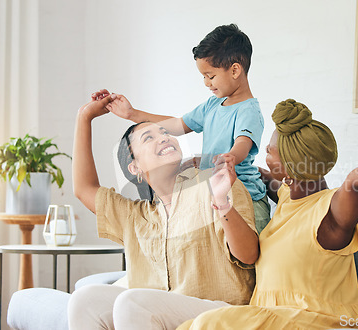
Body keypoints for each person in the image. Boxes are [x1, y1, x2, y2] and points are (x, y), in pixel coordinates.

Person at [177, 99, 358, 329]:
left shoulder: (330, 216)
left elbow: (355, 182)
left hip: (321, 323)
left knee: (213, 324)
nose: (266, 155)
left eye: (271, 152)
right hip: (271, 319)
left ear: (290, 166)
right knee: (193, 324)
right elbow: (263, 177)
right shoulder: (288, 198)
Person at [68, 94, 259, 329]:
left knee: (132, 301)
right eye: (149, 137)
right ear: (135, 167)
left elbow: (249, 255)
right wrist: (84, 116)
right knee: (84, 300)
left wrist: (222, 202)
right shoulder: (135, 216)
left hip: (219, 311)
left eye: (165, 133)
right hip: (158, 311)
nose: (164, 138)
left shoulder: (215, 183)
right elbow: (84, 188)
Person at [93, 23, 271, 234]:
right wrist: (132, 114)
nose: (206, 83)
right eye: (203, 76)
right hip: (216, 194)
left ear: (234, 70)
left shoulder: (248, 111)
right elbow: (178, 125)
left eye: (211, 76)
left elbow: (243, 141)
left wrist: (231, 156)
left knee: (252, 253)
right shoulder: (212, 105)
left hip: (248, 197)